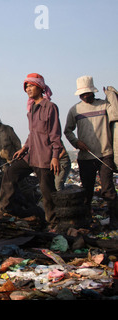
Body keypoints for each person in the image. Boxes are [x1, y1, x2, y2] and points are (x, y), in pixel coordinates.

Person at [0, 73, 63, 230]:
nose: (28, 89)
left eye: (31, 86)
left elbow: (55, 134)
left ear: (40, 87)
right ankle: (2, 210)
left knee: (47, 192)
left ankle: (53, 223)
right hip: (31, 155)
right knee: (10, 174)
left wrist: (55, 156)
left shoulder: (50, 107)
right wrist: (24, 147)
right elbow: (33, 133)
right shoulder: (31, 108)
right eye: (26, 86)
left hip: (44, 156)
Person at [64, 76, 117, 228]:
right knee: (87, 190)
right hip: (86, 156)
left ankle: (115, 219)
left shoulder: (104, 105)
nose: (85, 96)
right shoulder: (75, 109)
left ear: (92, 92)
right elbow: (68, 130)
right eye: (82, 95)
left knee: (107, 189)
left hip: (105, 154)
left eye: (87, 93)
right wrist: (76, 142)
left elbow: (117, 114)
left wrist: (111, 95)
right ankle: (87, 220)